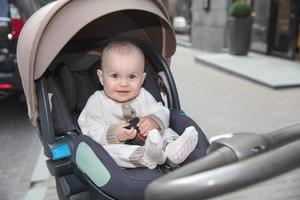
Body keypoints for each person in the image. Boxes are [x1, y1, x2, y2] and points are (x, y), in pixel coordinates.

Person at [78, 41, 198, 169]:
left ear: (142, 79)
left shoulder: (143, 96)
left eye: (131, 77)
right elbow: (89, 130)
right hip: (123, 148)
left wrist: (154, 121)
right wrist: (114, 134)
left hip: (152, 141)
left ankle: (173, 150)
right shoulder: (97, 101)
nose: (123, 83)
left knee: (165, 130)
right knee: (106, 152)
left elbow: (161, 111)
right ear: (101, 78)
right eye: (115, 76)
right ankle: (147, 157)